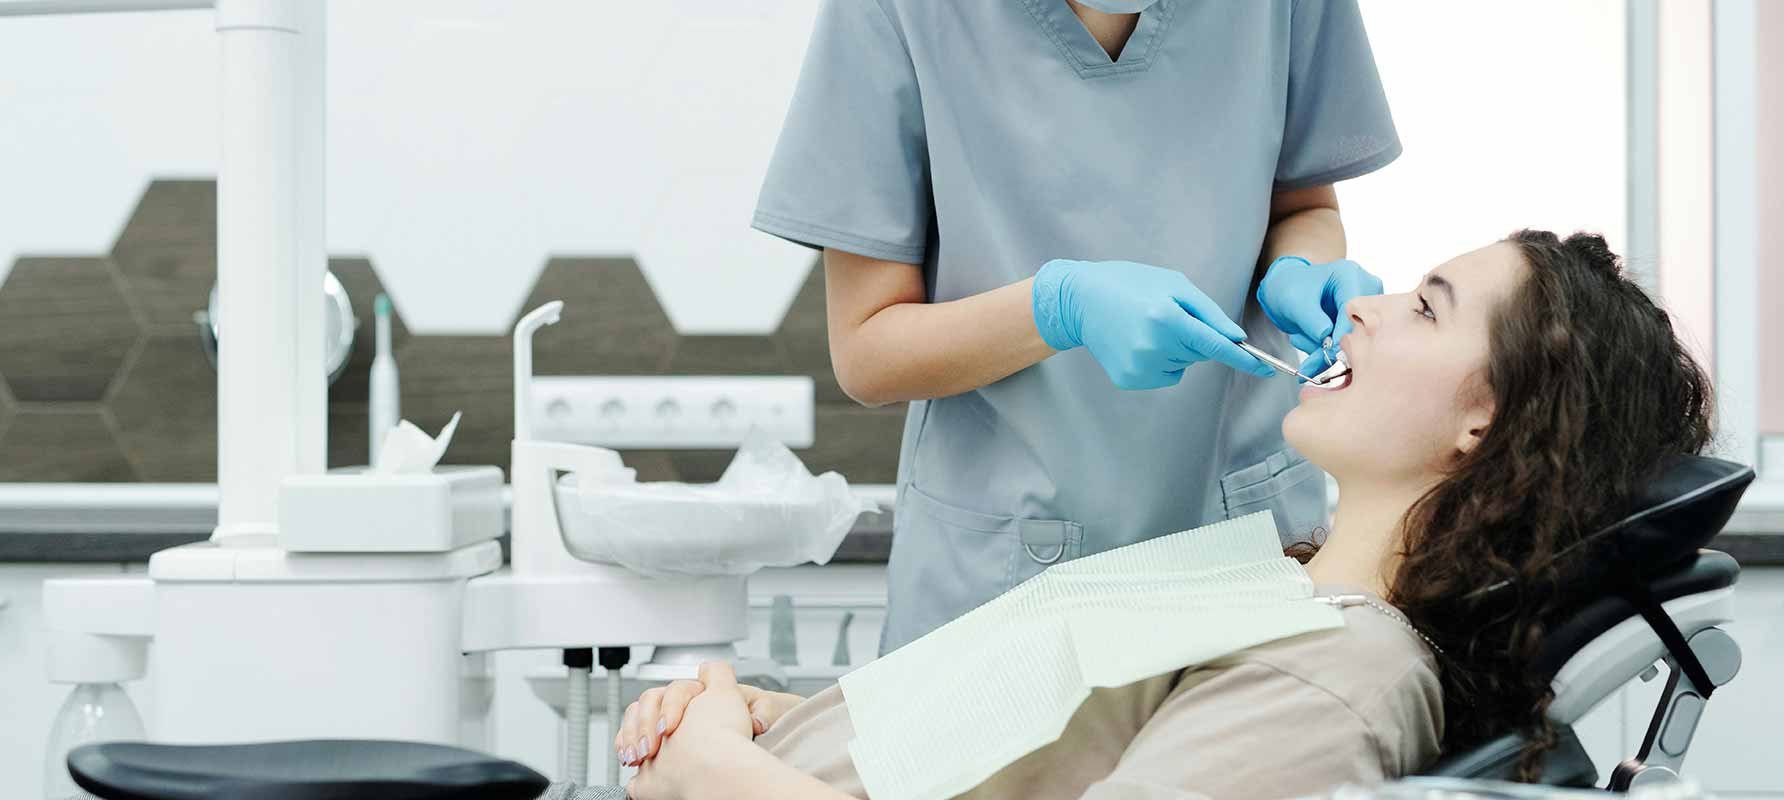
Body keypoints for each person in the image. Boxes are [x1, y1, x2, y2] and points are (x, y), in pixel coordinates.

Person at [541, 230, 1716, 800]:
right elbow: (1019, 746)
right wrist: (776, 715)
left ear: (1485, 420)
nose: (1362, 305)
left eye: (1425, 306)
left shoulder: (1338, 673)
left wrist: (712, 767)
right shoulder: (1279, 592)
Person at [751, 0, 1403, 652]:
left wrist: (1301, 267)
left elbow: (1305, 203)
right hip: (1003, 579)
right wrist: (1057, 309)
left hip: (1251, 547)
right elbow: (868, 352)